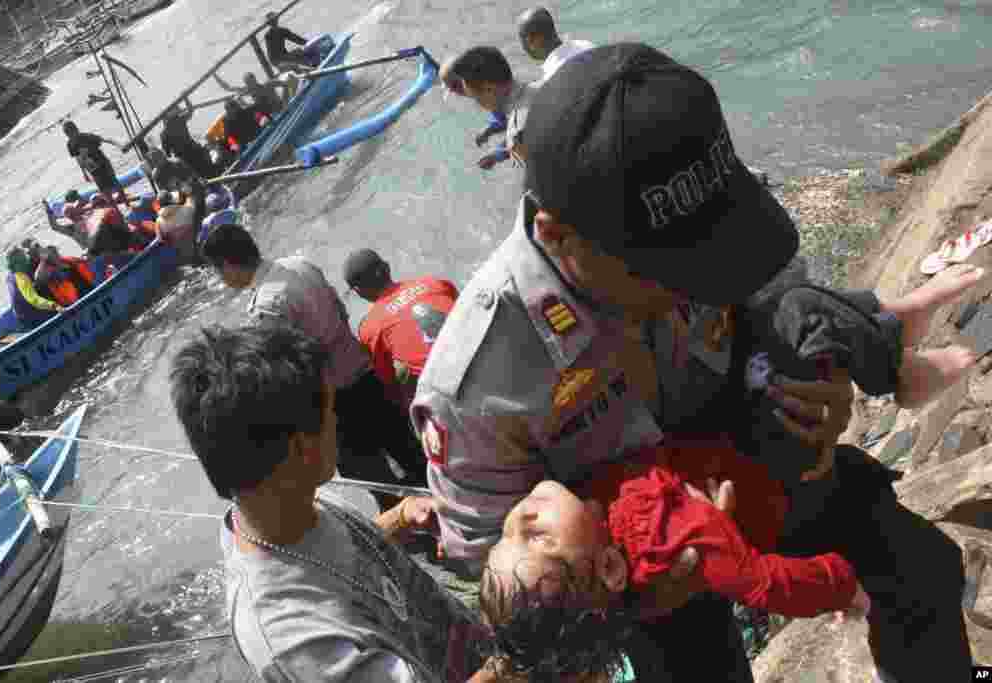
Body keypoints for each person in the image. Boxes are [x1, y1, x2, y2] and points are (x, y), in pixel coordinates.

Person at [411, 43, 971, 682]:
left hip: (755, 466)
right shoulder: (478, 385)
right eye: (668, 270)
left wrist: (824, 389)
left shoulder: (702, 201)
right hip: (641, 573)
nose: (695, 285)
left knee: (922, 570)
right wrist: (641, 594)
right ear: (557, 234)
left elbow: (779, 298)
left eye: (708, 256)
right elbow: (505, 571)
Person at [169, 321, 490, 683]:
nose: (337, 422)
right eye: (330, 412)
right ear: (301, 448)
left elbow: (328, 558)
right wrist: (520, 656)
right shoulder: (296, 642)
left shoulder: (291, 499)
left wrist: (400, 517)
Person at [479, 439, 873, 681]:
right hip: (780, 481)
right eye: (536, 537)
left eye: (504, 534)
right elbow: (761, 582)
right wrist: (841, 587)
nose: (519, 516)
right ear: (610, 568)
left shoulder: (585, 512)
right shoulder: (667, 537)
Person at [200, 224, 428, 510]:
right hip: (364, 372)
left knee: (377, 483)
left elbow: (287, 376)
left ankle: (423, 538)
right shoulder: (299, 265)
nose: (220, 278)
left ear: (229, 265)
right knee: (411, 452)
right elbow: (340, 311)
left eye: (217, 270)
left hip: (336, 405)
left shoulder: (266, 308)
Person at [343, 249, 459, 413]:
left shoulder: (370, 327)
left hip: (448, 394)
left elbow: (389, 386)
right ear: (387, 267)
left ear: (358, 291)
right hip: (483, 356)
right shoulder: (436, 283)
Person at [440, 47, 539, 168]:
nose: (478, 104)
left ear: (488, 88)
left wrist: (497, 154)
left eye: (477, 98)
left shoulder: (517, 129)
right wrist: (491, 129)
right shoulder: (538, 86)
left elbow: (519, 133)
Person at [516, 7, 595, 83]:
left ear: (533, 40)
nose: (523, 47)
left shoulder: (552, 78)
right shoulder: (587, 45)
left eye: (522, 40)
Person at [63, 121, 126, 201]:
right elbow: (78, 159)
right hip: (92, 169)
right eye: (68, 134)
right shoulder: (70, 145)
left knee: (114, 182)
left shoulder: (86, 137)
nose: (70, 136)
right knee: (103, 190)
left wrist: (119, 145)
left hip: (103, 164)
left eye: (71, 133)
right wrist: (84, 173)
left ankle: (123, 198)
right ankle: (114, 207)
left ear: (76, 129)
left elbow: (105, 140)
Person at [6, 246, 61, 329]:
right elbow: (33, 299)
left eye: (25, 258)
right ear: (16, 264)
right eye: (23, 260)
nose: (27, 261)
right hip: (33, 318)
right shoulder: (21, 279)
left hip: (22, 316)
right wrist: (54, 306)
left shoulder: (10, 276)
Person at [160, 108, 216, 180]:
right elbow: (190, 110)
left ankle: (208, 179)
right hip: (191, 153)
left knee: (202, 171)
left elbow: (167, 153)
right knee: (206, 170)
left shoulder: (172, 125)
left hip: (187, 155)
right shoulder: (178, 120)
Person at [213, 71, 286, 118]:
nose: (249, 85)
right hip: (270, 114)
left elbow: (285, 84)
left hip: (279, 109)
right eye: (247, 83)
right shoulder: (248, 90)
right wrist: (215, 76)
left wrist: (285, 100)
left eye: (250, 82)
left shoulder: (267, 85)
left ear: (255, 79)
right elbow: (228, 88)